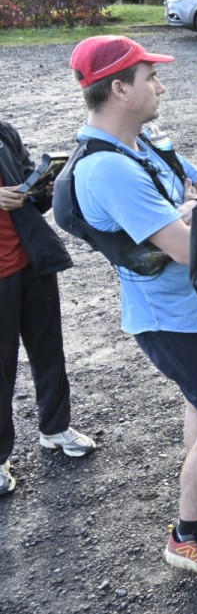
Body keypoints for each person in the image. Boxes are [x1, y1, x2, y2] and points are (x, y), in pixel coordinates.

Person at [66, 35, 197, 576]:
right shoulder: (107, 168)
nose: (161, 86)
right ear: (118, 89)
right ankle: (188, 535)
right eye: (149, 77)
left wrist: (190, 208)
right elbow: (186, 248)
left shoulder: (145, 144)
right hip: (174, 321)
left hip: (189, 313)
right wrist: (189, 213)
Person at [0, 120, 94, 496]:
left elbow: (27, 187)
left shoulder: (3, 132)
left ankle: (55, 428)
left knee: (49, 350)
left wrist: (43, 188)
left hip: (31, 262)